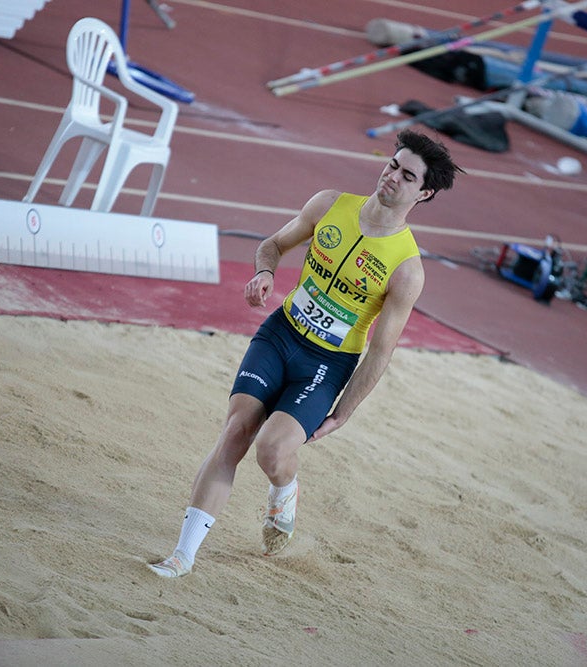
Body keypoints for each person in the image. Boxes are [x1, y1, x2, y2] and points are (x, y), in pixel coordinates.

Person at [149, 130, 463, 578]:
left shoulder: (407, 270)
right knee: (236, 431)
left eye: (407, 175)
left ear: (425, 192)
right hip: (279, 335)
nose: (392, 177)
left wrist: (345, 411)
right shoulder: (330, 204)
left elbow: (380, 351)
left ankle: (285, 488)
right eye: (392, 165)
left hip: (326, 364)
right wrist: (264, 273)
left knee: (272, 451)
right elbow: (273, 245)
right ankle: (182, 555)